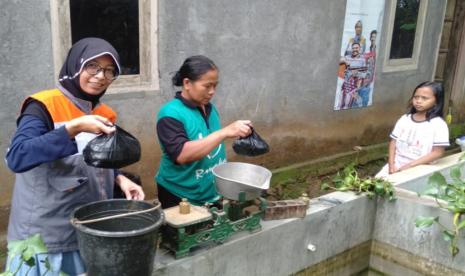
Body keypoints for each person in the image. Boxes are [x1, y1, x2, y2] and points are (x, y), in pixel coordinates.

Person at [4, 37, 145, 275]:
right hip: (46, 235)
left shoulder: (103, 113)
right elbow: (17, 157)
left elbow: (96, 158)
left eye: (110, 71)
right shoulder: (43, 105)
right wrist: (72, 128)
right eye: (93, 66)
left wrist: (120, 178)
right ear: (75, 65)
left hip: (88, 227)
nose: (101, 76)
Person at [155, 55, 252, 208]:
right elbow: (182, 154)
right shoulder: (170, 114)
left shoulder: (210, 109)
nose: (212, 91)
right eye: (207, 86)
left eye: (215, 86)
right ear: (187, 83)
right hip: (181, 197)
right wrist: (224, 132)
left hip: (210, 194)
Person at [375, 81, 450, 178]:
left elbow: (437, 152)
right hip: (396, 164)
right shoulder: (404, 119)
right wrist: (391, 165)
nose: (418, 101)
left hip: (420, 168)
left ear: (436, 101)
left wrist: (408, 167)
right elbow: (393, 142)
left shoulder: (438, 125)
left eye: (424, 98)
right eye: (416, 97)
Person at [339, 42, 367, 109]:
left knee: (349, 105)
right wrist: (345, 61)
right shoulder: (347, 57)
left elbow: (364, 74)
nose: (355, 49)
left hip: (354, 86)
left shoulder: (362, 60)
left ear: (360, 49)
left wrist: (356, 73)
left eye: (356, 48)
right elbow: (339, 60)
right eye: (353, 48)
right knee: (341, 104)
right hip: (345, 85)